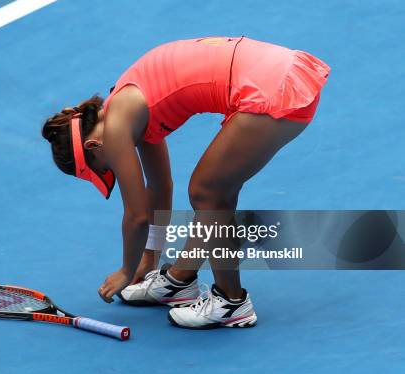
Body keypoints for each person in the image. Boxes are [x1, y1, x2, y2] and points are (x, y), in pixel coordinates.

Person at [41, 36, 330, 329]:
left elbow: (137, 216)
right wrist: (149, 259)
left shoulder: (117, 128)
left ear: (93, 146)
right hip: (283, 75)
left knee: (207, 191)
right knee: (216, 194)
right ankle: (179, 280)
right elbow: (160, 187)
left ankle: (231, 302)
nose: (115, 165)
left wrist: (127, 270)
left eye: (105, 167)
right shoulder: (129, 106)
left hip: (272, 90)